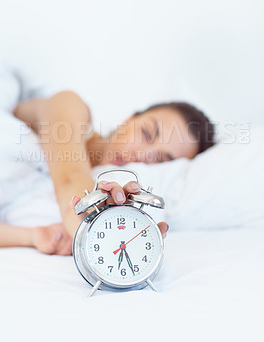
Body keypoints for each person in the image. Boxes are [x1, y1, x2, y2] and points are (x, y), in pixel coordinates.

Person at [0, 90, 215, 254]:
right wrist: (96, 221)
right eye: (146, 133)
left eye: (159, 160)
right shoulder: (71, 107)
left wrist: (31, 237)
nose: (140, 154)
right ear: (128, 120)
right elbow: (71, 176)